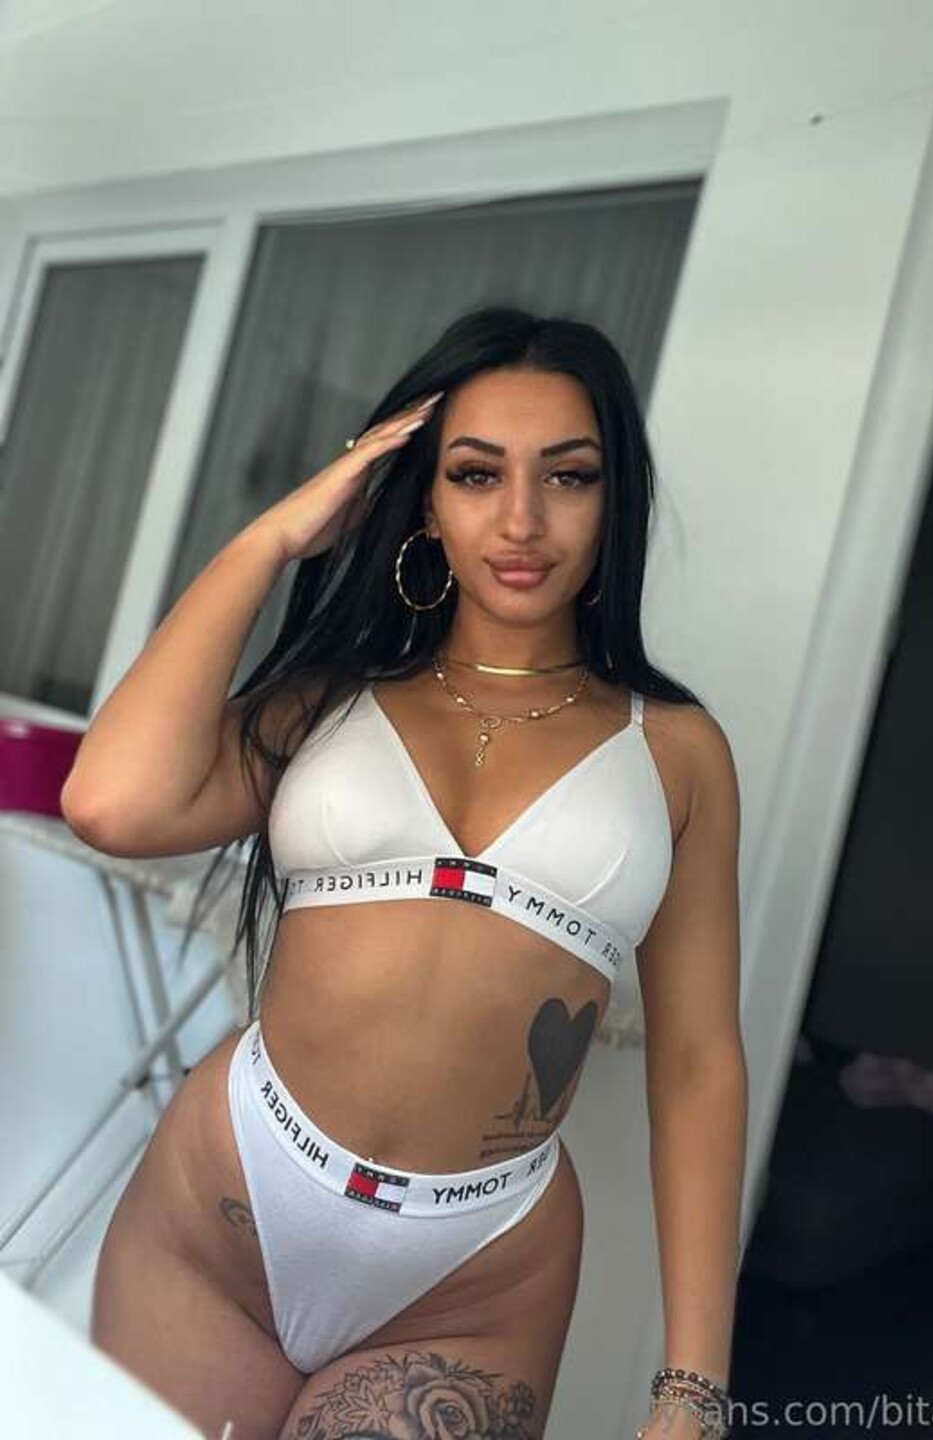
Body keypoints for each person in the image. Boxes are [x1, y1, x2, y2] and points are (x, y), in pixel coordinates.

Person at [62, 305, 746, 1440]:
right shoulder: (331, 701)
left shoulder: (675, 751)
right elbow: (109, 802)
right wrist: (270, 540)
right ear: (422, 499)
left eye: (568, 476)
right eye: (475, 474)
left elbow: (698, 1063)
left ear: (613, 497)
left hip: (468, 1285)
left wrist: (693, 1385)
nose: (521, 519)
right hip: (220, 1219)